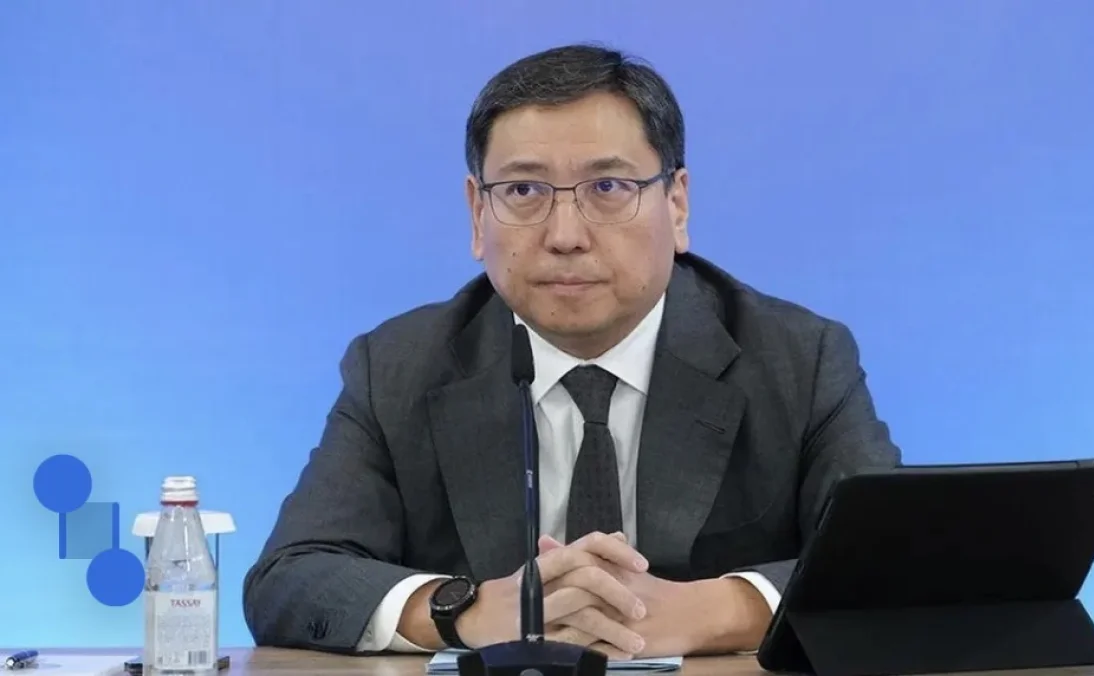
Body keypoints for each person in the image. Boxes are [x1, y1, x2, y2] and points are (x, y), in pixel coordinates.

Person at [242, 43, 901, 659]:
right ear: (477, 214)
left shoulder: (798, 359)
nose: (565, 235)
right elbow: (290, 578)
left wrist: (712, 610)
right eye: (523, 191)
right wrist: (462, 611)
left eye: (608, 188)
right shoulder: (398, 367)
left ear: (676, 205)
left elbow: (892, 565)